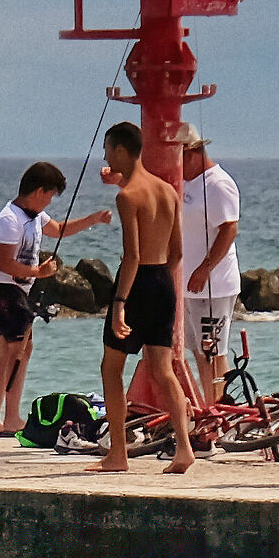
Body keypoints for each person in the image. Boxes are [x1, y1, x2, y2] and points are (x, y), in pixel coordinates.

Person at [0, 161, 111, 437]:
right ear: (39, 191)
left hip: (18, 291)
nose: (50, 201)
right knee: (11, 352)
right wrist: (38, 272)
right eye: (50, 195)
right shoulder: (9, 219)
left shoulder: (36, 216)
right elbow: (3, 263)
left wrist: (94, 219)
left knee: (22, 350)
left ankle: (9, 418)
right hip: (0, 288)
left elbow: (59, 229)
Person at [92, 122, 193, 474]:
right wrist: (161, 280)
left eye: (108, 149)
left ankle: (118, 454)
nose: (104, 155)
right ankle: (184, 448)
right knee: (163, 371)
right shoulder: (168, 191)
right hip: (164, 280)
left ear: (121, 150)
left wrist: (120, 303)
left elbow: (131, 255)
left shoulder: (127, 196)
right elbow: (178, 251)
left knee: (111, 368)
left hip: (136, 284)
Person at [176, 123, 242, 403]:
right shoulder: (187, 183)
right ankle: (210, 406)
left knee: (212, 351)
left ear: (191, 153)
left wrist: (205, 267)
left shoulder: (217, 183)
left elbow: (229, 229)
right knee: (199, 352)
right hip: (188, 284)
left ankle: (220, 409)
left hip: (212, 284)